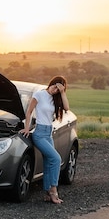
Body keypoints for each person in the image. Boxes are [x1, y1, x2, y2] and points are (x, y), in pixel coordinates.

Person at [19, 76, 70, 204]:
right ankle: (54, 191)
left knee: (49, 162)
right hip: (39, 134)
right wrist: (26, 128)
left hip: (49, 133)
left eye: (58, 90)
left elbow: (67, 108)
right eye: (55, 87)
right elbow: (29, 112)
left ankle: (48, 193)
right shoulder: (39, 94)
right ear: (51, 84)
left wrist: (62, 92)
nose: (55, 91)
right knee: (56, 159)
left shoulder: (55, 98)